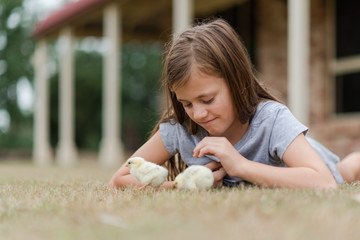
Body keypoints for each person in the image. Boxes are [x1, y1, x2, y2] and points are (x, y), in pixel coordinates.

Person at [109, 18, 360, 189]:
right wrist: (175, 187)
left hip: (308, 157)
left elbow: (324, 182)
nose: (198, 113)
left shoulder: (271, 120)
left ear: (237, 81)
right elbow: (119, 178)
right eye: (186, 103)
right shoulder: (181, 129)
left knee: (346, 172)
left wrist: (240, 166)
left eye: (207, 99)